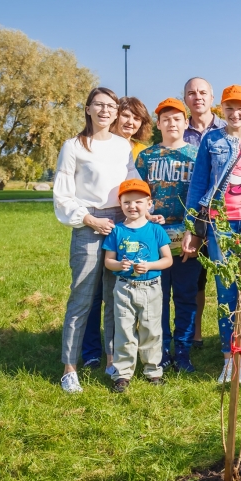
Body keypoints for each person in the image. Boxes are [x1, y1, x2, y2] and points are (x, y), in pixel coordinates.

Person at [182, 84, 241, 385]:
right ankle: (228, 357)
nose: (235, 113)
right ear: (221, 110)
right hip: (220, 223)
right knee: (226, 289)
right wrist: (192, 227)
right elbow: (198, 184)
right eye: (229, 108)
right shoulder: (212, 140)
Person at [54, 87, 138, 393]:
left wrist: (144, 212)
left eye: (111, 106)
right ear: (88, 109)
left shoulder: (122, 146)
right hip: (89, 223)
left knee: (116, 297)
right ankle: (69, 368)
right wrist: (89, 219)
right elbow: (63, 195)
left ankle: (112, 361)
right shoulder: (74, 146)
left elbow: (134, 183)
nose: (105, 110)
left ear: (116, 112)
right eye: (99, 105)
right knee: (82, 297)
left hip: (119, 223)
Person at [81, 96, 155, 370]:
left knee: (121, 291)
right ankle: (90, 350)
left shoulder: (140, 151)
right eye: (126, 115)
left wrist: (148, 214)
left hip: (129, 226)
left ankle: (121, 349)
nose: (130, 122)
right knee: (93, 291)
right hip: (98, 220)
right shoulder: (94, 144)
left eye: (137, 118)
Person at [135, 98, 200, 373]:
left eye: (177, 119)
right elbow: (136, 194)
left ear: (186, 123)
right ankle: (160, 348)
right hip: (154, 237)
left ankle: (183, 351)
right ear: (158, 124)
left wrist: (195, 232)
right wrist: (145, 216)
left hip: (188, 236)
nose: (172, 123)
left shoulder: (197, 156)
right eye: (166, 119)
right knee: (156, 297)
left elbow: (204, 197)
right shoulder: (146, 157)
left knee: (185, 295)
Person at [103, 180, 173, 393]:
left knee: (151, 329)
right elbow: (108, 261)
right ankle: (122, 374)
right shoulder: (117, 231)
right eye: (127, 202)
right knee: (123, 330)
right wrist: (119, 265)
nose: (132, 206)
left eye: (138, 202)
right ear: (121, 204)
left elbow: (168, 260)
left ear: (149, 204)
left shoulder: (155, 230)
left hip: (151, 287)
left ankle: (153, 370)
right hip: (124, 287)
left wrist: (150, 265)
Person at [183, 77, 227, 350]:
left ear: (212, 98)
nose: (197, 97)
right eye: (191, 93)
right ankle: (196, 334)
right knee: (194, 278)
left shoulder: (227, 129)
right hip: (190, 211)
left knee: (225, 274)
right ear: (185, 99)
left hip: (223, 215)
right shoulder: (177, 128)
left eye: (202, 92)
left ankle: (231, 334)